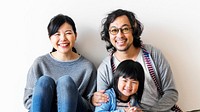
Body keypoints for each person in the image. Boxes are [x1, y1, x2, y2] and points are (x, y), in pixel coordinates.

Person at [92, 9, 179, 111]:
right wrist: (93, 99)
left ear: (133, 30)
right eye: (114, 30)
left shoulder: (153, 54)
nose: (120, 35)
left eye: (125, 29)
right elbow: (102, 102)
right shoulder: (105, 67)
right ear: (109, 34)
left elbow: (171, 93)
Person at [23, 14, 97, 112]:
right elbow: (28, 100)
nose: (63, 38)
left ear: (75, 35)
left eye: (68, 33)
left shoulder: (87, 67)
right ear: (50, 38)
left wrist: (69, 95)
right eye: (57, 34)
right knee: (44, 81)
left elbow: (91, 104)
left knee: (65, 82)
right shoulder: (40, 63)